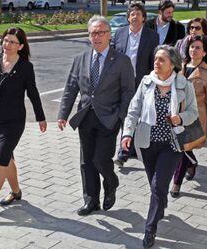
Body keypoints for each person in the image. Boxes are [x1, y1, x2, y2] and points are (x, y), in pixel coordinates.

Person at [57, 15, 135, 216]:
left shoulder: (122, 61)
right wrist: (63, 114)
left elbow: (128, 91)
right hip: (85, 116)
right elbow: (71, 88)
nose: (97, 36)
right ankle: (91, 200)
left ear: (109, 35)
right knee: (86, 161)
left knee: (101, 159)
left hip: (109, 118)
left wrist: (122, 116)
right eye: (93, 33)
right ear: (88, 36)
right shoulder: (80, 59)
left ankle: (111, 181)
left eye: (101, 32)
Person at [121, 45, 198, 248]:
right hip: (147, 143)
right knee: (156, 187)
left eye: (162, 59)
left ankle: (150, 229)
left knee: (158, 186)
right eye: (155, 59)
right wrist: (127, 133)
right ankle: (160, 207)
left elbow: (193, 113)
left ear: (172, 64)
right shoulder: (147, 83)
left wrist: (179, 118)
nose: (157, 62)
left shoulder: (183, 85)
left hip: (172, 145)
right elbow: (133, 110)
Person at [0, 27, 47, 220]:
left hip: (14, 121)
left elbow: (32, 93)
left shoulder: (25, 67)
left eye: (12, 42)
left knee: (0, 161)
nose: (7, 45)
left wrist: (41, 117)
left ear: (21, 46)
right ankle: (16, 192)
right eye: (5, 40)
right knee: (8, 159)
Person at [170, 35, 207, 198]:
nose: (194, 50)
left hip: (197, 118)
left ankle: (176, 183)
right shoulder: (179, 67)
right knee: (180, 147)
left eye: (198, 47)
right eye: (192, 47)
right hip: (178, 115)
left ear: (205, 52)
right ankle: (192, 162)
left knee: (183, 148)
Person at [111, 3, 159, 168]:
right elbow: (112, 55)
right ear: (128, 17)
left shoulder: (152, 36)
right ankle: (124, 151)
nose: (135, 17)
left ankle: (129, 150)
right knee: (124, 114)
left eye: (138, 14)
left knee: (136, 116)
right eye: (132, 14)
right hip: (121, 83)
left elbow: (154, 61)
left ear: (143, 18)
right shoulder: (119, 33)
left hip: (141, 82)